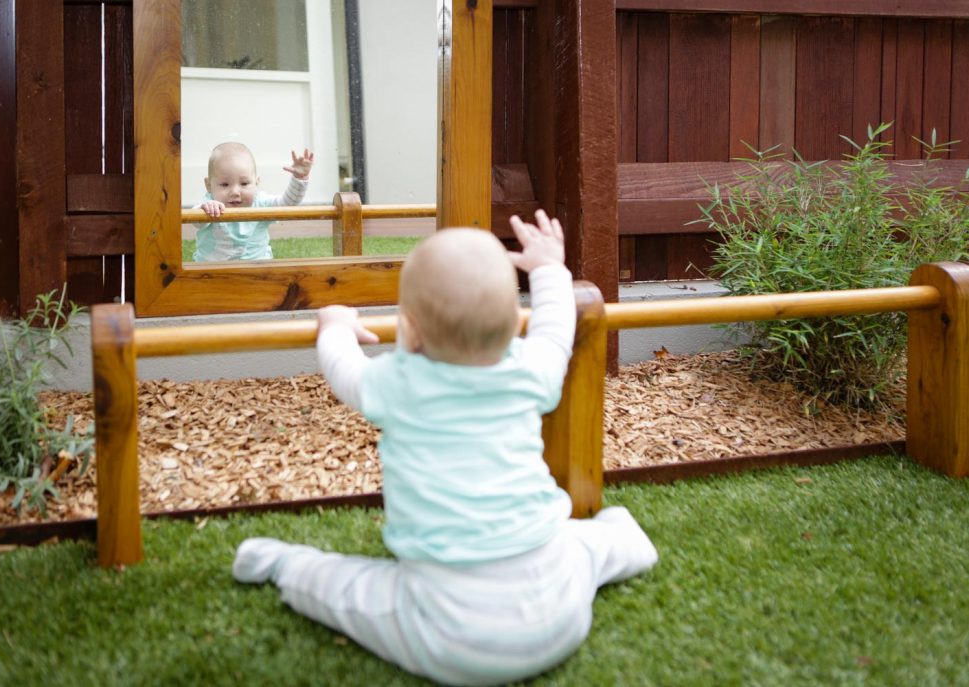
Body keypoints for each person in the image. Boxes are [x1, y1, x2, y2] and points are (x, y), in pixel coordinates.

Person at [232, 210, 658, 686]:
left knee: (345, 588)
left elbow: (344, 370)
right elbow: (556, 330)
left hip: (450, 636)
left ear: (410, 330)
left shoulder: (400, 382)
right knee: (579, 544)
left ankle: (283, 564)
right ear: (509, 323)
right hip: (561, 608)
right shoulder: (531, 369)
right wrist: (548, 270)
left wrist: (334, 326)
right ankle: (627, 541)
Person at [192, 142, 314, 262]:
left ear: (256, 183)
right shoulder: (209, 203)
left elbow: (288, 204)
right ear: (208, 185)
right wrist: (205, 210)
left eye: (244, 183)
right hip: (213, 274)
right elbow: (196, 221)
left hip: (257, 272)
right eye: (224, 184)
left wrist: (299, 179)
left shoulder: (261, 203)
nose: (235, 191)